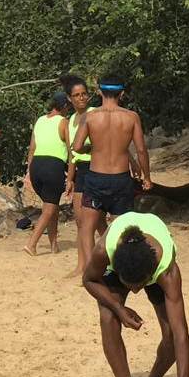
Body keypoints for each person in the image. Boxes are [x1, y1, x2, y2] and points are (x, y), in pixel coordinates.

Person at [82, 212, 189, 377]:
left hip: (150, 267)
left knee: (170, 333)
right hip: (122, 267)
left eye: (140, 286)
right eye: (129, 286)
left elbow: (181, 333)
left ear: (151, 275)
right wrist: (118, 307)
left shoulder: (166, 269)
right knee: (108, 319)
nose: (134, 292)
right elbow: (88, 280)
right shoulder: (104, 251)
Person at [72, 73, 152, 270]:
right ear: (121, 94)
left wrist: (92, 148)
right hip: (120, 179)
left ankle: (90, 270)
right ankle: (117, 268)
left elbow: (77, 146)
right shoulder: (131, 117)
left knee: (87, 228)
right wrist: (147, 177)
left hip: (95, 178)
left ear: (99, 92)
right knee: (120, 229)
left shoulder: (90, 117)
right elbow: (141, 150)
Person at [62, 74, 105, 276]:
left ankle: (104, 262)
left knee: (97, 221)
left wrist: (87, 147)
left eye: (84, 94)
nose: (81, 98)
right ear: (69, 98)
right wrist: (70, 178)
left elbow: (104, 142)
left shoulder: (94, 113)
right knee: (80, 221)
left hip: (96, 168)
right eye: (77, 95)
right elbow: (72, 153)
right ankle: (82, 265)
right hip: (80, 171)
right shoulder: (71, 119)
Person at [23, 91, 70, 256]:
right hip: (53, 166)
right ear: (64, 106)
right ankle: (31, 244)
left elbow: (32, 149)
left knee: (51, 205)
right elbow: (70, 150)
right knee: (49, 209)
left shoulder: (40, 120)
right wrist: (72, 174)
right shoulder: (64, 122)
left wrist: (29, 172)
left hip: (36, 165)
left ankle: (53, 244)